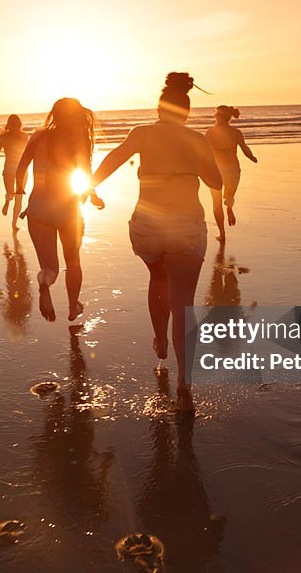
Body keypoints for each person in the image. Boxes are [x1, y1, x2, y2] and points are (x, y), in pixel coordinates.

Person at [91, 73, 222, 411]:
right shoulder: (197, 138)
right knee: (184, 303)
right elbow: (215, 180)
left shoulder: (142, 133)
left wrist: (87, 187)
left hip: (148, 223)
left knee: (157, 277)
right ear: (188, 112)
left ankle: (160, 340)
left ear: (159, 108)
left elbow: (113, 160)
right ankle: (184, 384)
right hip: (187, 224)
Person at [15, 98, 101, 322]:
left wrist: (19, 190)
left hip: (38, 207)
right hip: (66, 206)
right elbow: (84, 170)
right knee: (73, 260)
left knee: (49, 267)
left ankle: (44, 283)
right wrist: (93, 195)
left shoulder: (37, 136)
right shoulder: (77, 138)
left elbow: (21, 167)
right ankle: (73, 307)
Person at [204, 105, 257, 240]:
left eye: (216, 114)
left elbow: (203, 152)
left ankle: (222, 234)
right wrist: (252, 158)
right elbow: (245, 148)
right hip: (232, 169)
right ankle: (229, 207)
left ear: (220, 117)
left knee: (216, 204)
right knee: (229, 196)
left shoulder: (210, 132)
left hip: (216, 170)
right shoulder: (236, 132)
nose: (214, 116)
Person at [0, 114, 30, 226]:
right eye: (12, 125)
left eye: (15, 125)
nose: (14, 127)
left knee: (18, 196)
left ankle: (14, 222)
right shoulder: (6, 138)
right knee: (13, 194)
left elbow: (29, 151)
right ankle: (8, 201)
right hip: (15, 169)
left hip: (19, 169)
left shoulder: (21, 136)